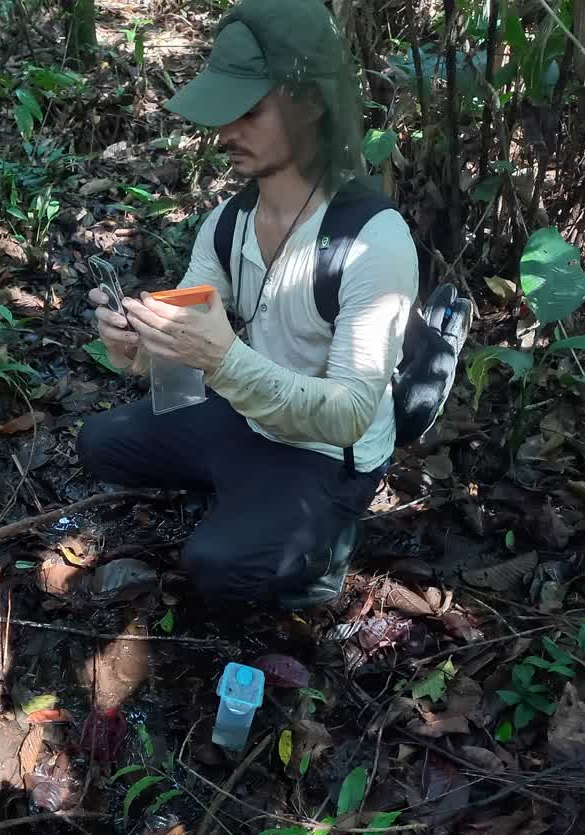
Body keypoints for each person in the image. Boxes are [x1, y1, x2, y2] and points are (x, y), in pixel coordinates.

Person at [77, 0, 419, 608]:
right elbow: (184, 370)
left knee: (217, 572)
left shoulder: (372, 239)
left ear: (310, 104)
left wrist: (224, 360)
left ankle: (323, 546)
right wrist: (137, 350)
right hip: (246, 415)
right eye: (223, 112)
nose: (226, 132)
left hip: (325, 453)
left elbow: (348, 415)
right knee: (98, 442)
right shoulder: (228, 222)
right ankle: (242, 496)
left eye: (251, 111)